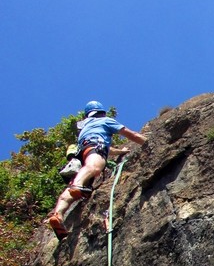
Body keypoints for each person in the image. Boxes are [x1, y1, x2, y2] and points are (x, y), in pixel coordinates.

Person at [48, 100, 147, 240]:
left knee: (74, 184)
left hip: (82, 151)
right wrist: (149, 141)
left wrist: (120, 152)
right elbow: (131, 135)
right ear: (102, 112)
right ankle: (78, 184)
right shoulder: (105, 121)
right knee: (94, 167)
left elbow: (107, 149)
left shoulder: (85, 128)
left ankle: (57, 214)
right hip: (95, 147)